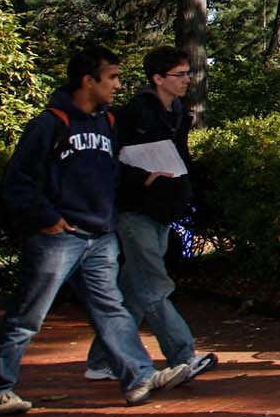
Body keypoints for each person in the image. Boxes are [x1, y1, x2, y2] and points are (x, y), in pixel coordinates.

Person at [0, 45, 193, 414]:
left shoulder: (107, 124)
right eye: (111, 78)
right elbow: (19, 181)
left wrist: (139, 179)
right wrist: (47, 218)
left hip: (100, 235)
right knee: (29, 314)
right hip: (58, 237)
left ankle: (138, 375)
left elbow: (111, 172)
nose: (118, 86)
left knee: (112, 311)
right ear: (87, 81)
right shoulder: (51, 122)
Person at [83, 46, 216, 382]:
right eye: (179, 74)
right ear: (158, 78)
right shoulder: (132, 114)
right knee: (154, 285)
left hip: (163, 210)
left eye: (188, 73)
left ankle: (101, 360)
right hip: (135, 209)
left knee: (134, 289)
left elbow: (180, 159)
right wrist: (142, 176)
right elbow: (106, 159)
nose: (187, 80)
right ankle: (183, 355)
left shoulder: (179, 114)